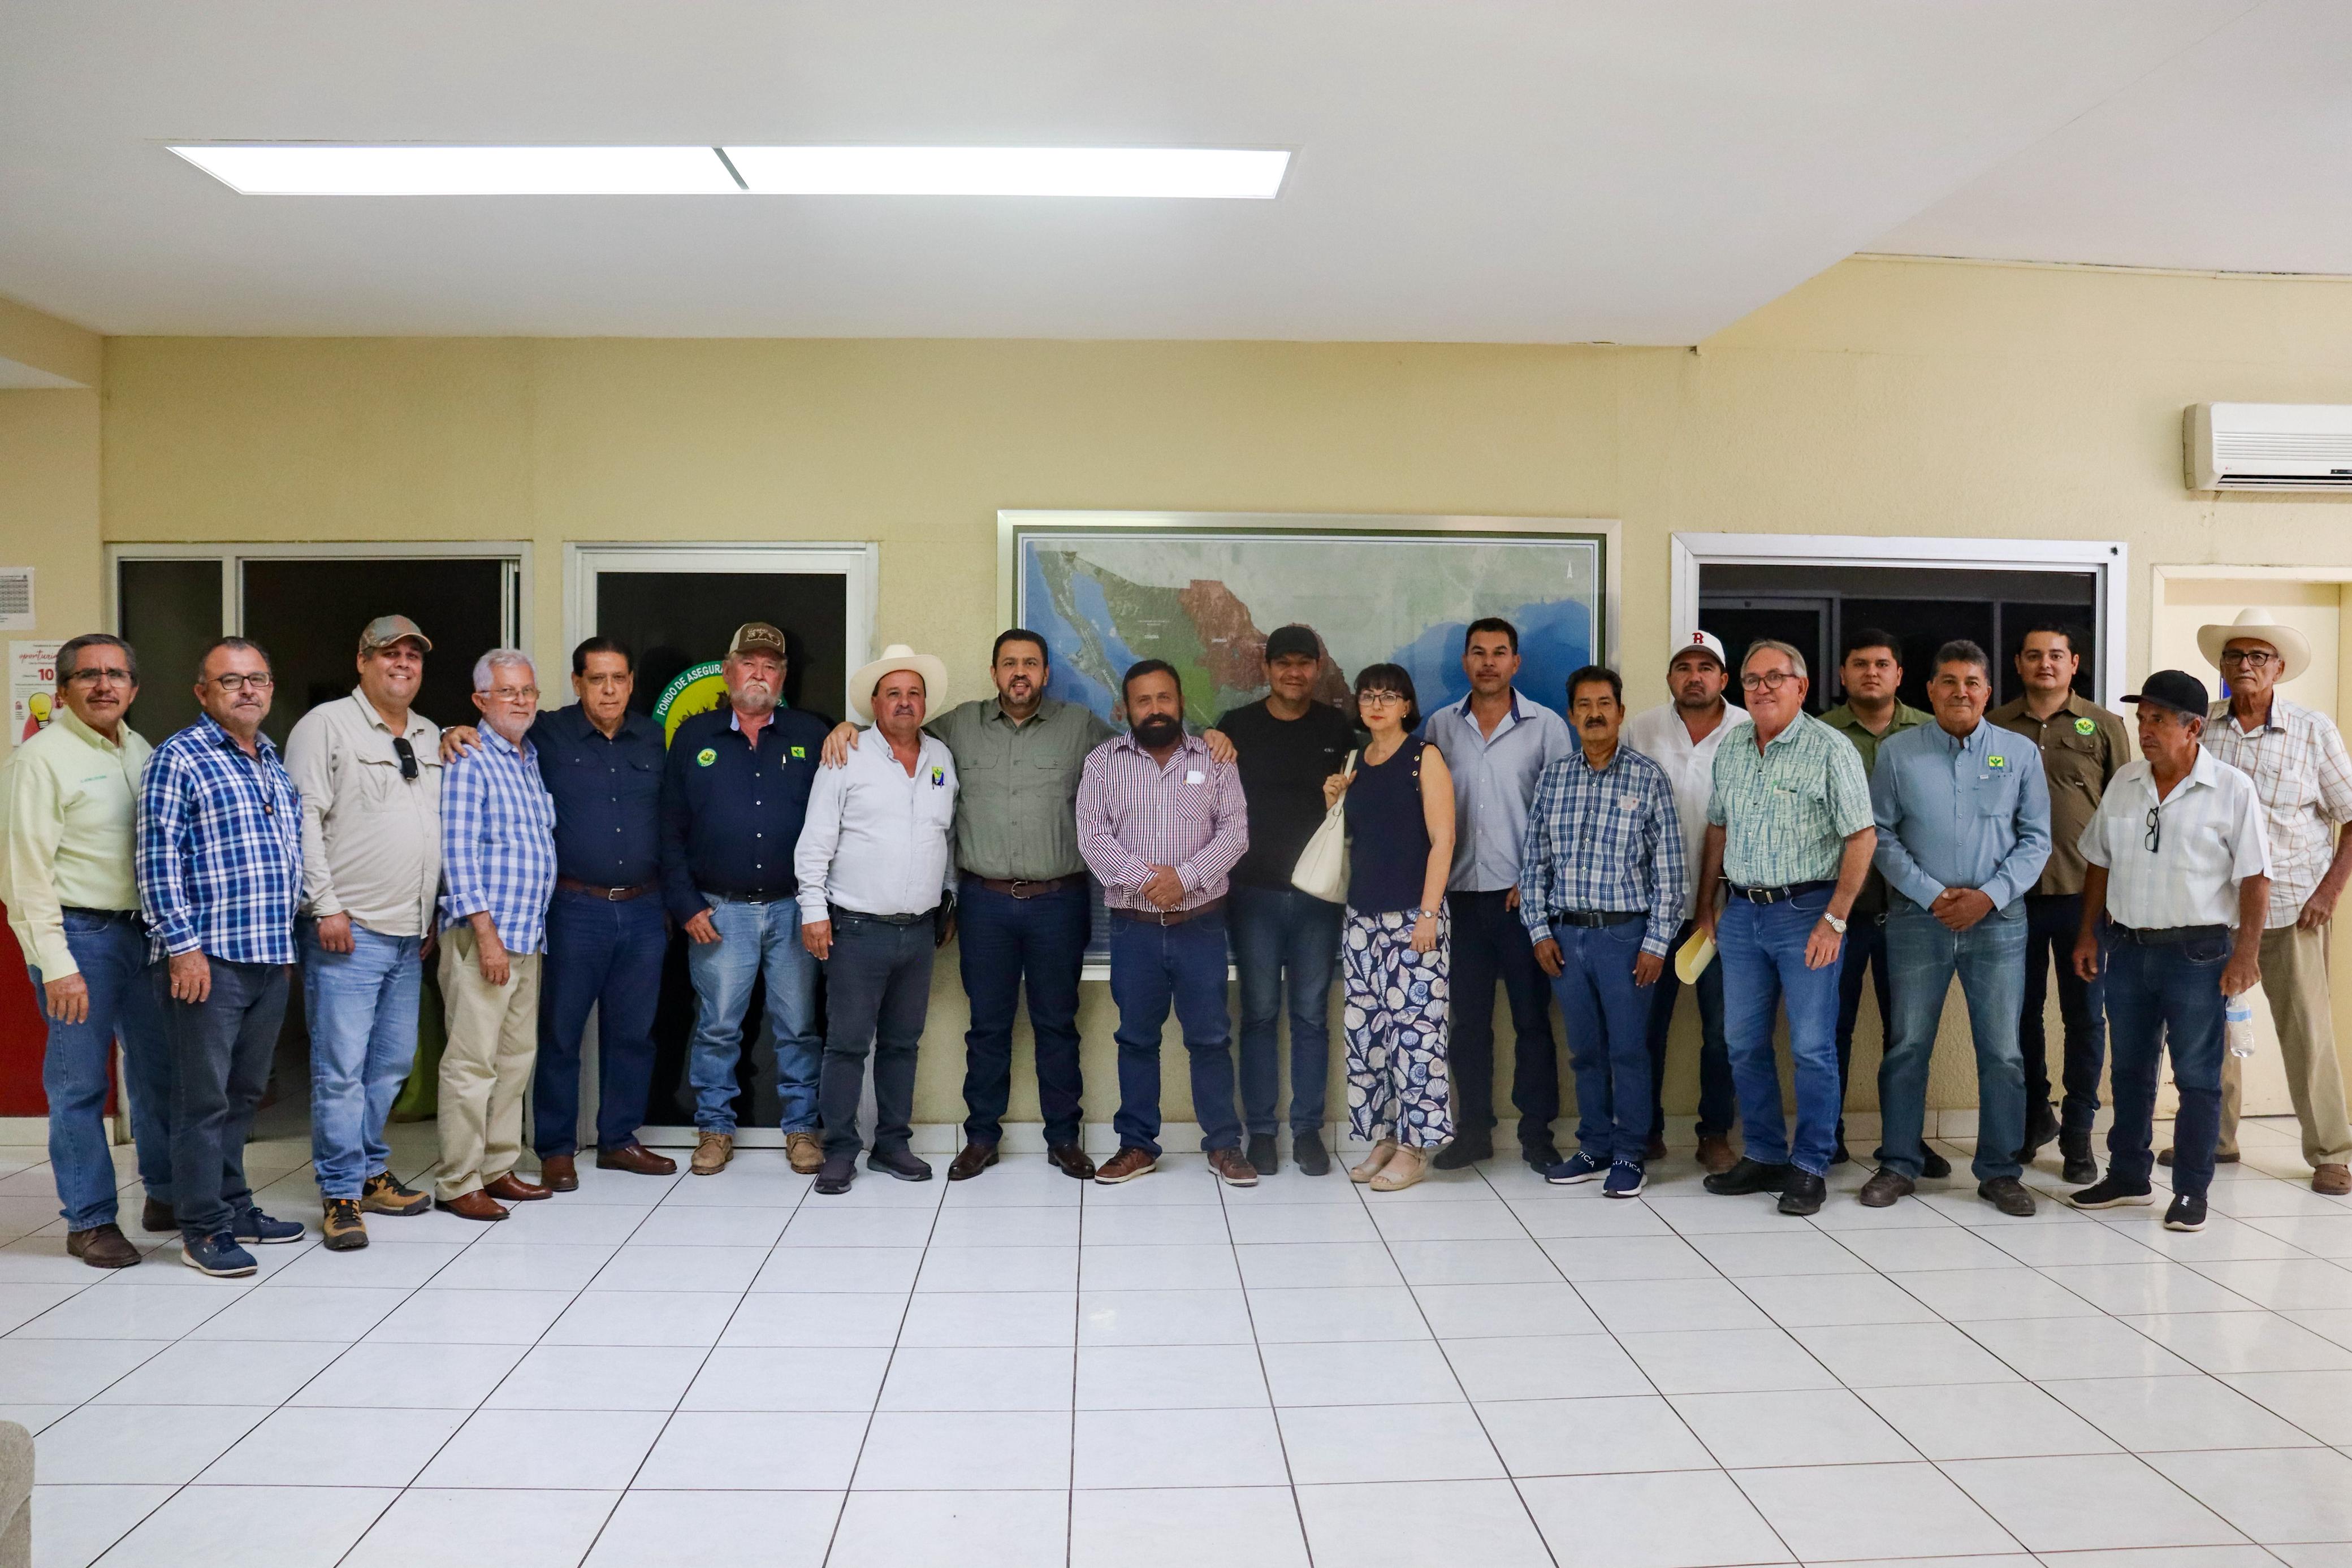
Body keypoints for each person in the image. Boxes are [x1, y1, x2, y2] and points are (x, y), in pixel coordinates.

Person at [820, 630, 1117, 1183]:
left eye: (1031, 663)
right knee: (987, 1026)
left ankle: (1063, 1139)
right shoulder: (958, 726)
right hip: (985, 904)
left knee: (1057, 1024)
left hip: (1058, 902)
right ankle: (981, 1138)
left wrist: (1210, 743)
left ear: (1046, 673)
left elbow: (1137, 757)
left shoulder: (1079, 727)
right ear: (993, 671)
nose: (1020, 672)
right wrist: (847, 730)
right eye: (1009, 663)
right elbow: (896, 733)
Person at [2072, 669, 2271, 1233]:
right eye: (2141, 718)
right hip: (2127, 946)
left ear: (2193, 728)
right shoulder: (2125, 782)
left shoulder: (2231, 789)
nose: (2145, 729)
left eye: (2157, 719)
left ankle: (2190, 1189)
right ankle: (2127, 1176)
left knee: (2197, 1077)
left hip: (2198, 954)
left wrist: (2246, 955)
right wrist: (2087, 932)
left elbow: (2256, 878)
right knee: (2130, 1071)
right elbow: (2098, 861)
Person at [136, 637, 308, 1277]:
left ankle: (234, 1206)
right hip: (206, 962)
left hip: (267, 957)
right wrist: (183, 949)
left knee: (243, 1095)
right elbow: (157, 862)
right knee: (202, 1101)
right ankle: (202, 1227)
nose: (247, 690)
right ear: (202, 692)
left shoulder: (271, 760)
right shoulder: (179, 758)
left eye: (257, 678)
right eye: (231, 680)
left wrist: (284, 947)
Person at [0, 634, 174, 1268]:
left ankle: (166, 1194)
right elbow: (24, 876)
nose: (104, 685)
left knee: (158, 1075)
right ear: (63, 687)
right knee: (79, 1085)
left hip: (145, 938)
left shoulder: (141, 749)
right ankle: (90, 1220)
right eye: (89, 675)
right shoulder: (40, 760)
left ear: (134, 686)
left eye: (116, 674)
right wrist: (56, 964)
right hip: (80, 939)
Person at [1866, 640, 2052, 1215]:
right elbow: (1879, 834)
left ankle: (1999, 1171)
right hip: (1916, 922)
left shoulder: (2018, 753)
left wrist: (1987, 897)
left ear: (1987, 691)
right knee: (1906, 1046)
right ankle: (1899, 1163)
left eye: (1971, 682)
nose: (1960, 692)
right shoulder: (1897, 752)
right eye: (1948, 681)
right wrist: (1930, 894)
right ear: (1929, 690)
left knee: (2003, 1052)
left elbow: (2036, 839)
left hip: (1998, 924)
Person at [1698, 639, 1876, 1217]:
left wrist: (1835, 918)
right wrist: (1707, 906)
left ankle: (1810, 1165)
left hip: (1807, 914)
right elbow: (1718, 828)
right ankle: (1766, 1154)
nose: (1762, 688)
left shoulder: (1830, 748)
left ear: (1801, 686)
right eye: (1752, 679)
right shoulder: (1731, 746)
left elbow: (1862, 837)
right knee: (1742, 1042)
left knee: (1811, 1047)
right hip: (1741, 914)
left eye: (1775, 677)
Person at [282, 614, 440, 1253]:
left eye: (412, 655)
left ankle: (371, 1172)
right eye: (388, 653)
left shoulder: (430, 733)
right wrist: (325, 907)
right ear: (362, 661)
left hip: (409, 934)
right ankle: (341, 1193)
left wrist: (429, 912)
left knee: (392, 1064)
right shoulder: (325, 726)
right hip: (348, 931)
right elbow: (303, 821)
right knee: (341, 1070)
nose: (402, 663)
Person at [2185, 609, 2352, 1195]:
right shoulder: (2200, 727)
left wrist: (2329, 891)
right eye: (2235, 655)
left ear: (2278, 668)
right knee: (2209, 1030)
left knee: (2306, 1033)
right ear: (2221, 666)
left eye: (2258, 656)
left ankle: (2331, 1151)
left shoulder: (2312, 730)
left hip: (2291, 909)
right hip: (2212, 908)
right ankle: (2214, 1138)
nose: (2245, 665)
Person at [660, 622, 832, 1177]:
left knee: (799, 1028)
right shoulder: (694, 736)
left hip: (793, 909)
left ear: (783, 677)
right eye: (749, 663)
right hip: (719, 910)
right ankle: (715, 1129)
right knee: (717, 1028)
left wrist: (848, 730)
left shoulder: (812, 734)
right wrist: (686, 904)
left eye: (771, 666)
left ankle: (801, 1129)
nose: (759, 673)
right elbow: (669, 827)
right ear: (728, 669)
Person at [1077, 659, 1254, 1186]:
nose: (1155, 709)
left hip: (1200, 926)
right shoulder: (1103, 763)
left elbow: (1235, 833)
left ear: (1179, 702)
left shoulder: (1215, 759)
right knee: (1135, 1038)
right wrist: (1151, 882)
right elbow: (1092, 837)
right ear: (1125, 709)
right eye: (1143, 701)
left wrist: (1186, 879)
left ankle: (1223, 1145)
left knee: (1210, 1038)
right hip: (1133, 928)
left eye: (1164, 698)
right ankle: (1137, 1146)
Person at [798, 646, 957, 1195]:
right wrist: (813, 911)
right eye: (894, 693)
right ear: (874, 702)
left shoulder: (941, 757)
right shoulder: (846, 754)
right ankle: (841, 1149)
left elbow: (945, 836)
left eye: (914, 693)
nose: (904, 702)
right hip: (856, 929)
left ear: (925, 703)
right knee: (846, 1045)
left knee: (901, 1045)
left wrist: (950, 896)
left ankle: (892, 1144)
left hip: (919, 931)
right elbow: (815, 841)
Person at [1521, 666, 1684, 1198]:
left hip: (1626, 940)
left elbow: (1670, 871)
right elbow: (1534, 863)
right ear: (1571, 715)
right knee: (1585, 1051)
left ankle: (1631, 1153)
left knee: (1629, 1051)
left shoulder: (1647, 777)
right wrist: (1539, 931)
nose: (1595, 714)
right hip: (1566, 939)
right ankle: (1594, 1147)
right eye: (1585, 705)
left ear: (1620, 711)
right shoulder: (1554, 778)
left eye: (1605, 704)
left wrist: (1657, 944)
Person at [1421, 617, 1573, 1170]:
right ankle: (1473, 1133)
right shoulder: (1440, 726)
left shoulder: (1546, 726)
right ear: (1465, 661)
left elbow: (1561, 815)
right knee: (1467, 1025)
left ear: (1515, 662)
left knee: (1533, 1022)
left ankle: (1537, 1135)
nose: (1488, 662)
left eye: (1499, 652)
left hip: (1522, 901)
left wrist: (1533, 880)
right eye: (1478, 652)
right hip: (1459, 898)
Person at [529, 638, 676, 1186]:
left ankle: (618, 1139)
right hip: (575, 908)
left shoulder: (654, 738)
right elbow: (493, 728)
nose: (609, 690)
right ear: (578, 683)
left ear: (631, 682)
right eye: (597, 679)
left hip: (643, 909)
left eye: (618, 678)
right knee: (561, 1033)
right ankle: (556, 1148)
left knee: (633, 1033)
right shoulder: (548, 732)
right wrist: (455, 731)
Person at [1988, 622, 2129, 1183]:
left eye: (2055, 655)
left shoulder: (2105, 725)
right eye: (2032, 655)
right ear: (2018, 664)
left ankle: (2078, 1132)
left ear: (2073, 663)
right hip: (2011, 898)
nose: (2044, 664)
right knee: (2017, 1016)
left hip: (2083, 900)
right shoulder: (1995, 724)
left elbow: (2123, 813)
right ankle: (2032, 1117)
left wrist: (2115, 898)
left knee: (2084, 1017)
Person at [1217, 623, 1358, 1177]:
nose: (1294, 673)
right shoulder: (1236, 725)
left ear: (1317, 668)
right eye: (1283, 663)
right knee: (1257, 1014)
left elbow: (1358, 804)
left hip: (1318, 898)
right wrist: (1208, 737)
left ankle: (1305, 1132)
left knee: (1310, 1016)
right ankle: (1260, 1132)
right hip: (1252, 892)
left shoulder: (1337, 729)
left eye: (1303, 663)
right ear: (1267, 668)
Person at [434, 649, 558, 1222]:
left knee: (514, 1060)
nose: (521, 700)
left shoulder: (528, 759)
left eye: (528, 690)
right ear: (480, 700)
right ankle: (458, 1179)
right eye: (508, 691)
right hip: (485, 937)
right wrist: (485, 934)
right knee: (472, 1063)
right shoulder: (471, 757)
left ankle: (497, 1166)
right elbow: (457, 853)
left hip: (527, 935)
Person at [1819, 627, 1944, 1175]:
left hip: (1913, 910)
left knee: (1907, 1033)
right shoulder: (1819, 734)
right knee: (1831, 1029)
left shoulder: (1931, 732)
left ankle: (1905, 1139)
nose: (1871, 672)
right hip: (1838, 912)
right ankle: (1827, 1136)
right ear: (1842, 674)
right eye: (1860, 663)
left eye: (1882, 664)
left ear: (1899, 674)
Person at [1326, 664, 1455, 1191]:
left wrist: (1428, 914)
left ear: (1407, 705)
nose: (1377, 704)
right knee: (1368, 1037)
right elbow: (1354, 837)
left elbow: (1443, 840)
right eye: (1368, 695)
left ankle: (1415, 1147)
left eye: (1389, 696)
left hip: (1413, 917)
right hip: (1362, 917)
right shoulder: (1356, 761)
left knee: (1416, 1036)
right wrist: (1334, 799)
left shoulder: (1424, 758)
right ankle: (1383, 1137)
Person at [1623, 630, 1746, 1172]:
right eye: (1684, 667)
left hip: (1726, 910)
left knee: (1722, 1032)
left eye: (1706, 667)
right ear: (1670, 677)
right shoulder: (1641, 729)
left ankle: (1714, 1133)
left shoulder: (1749, 729)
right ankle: (1645, 1130)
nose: (1694, 677)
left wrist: (1712, 906)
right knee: (1647, 1029)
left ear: (1724, 678)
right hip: (1651, 911)